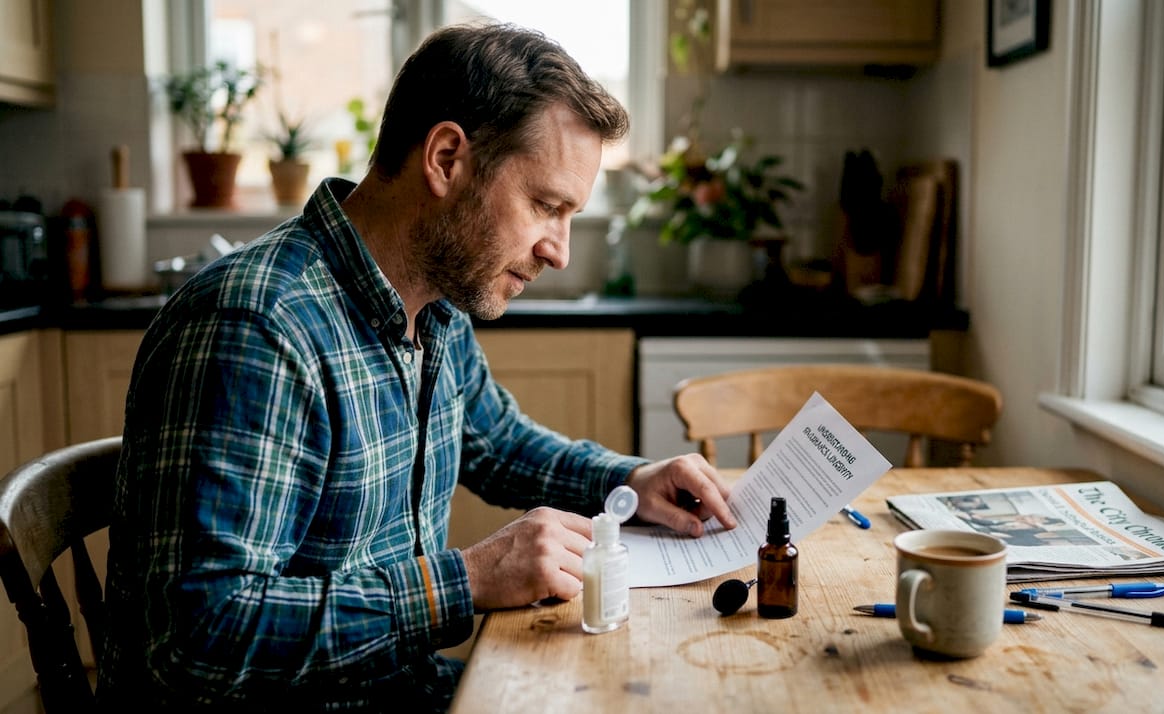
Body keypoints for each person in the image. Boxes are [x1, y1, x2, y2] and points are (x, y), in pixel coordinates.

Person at [98, 23, 737, 712]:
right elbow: (197, 638)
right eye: (546, 206)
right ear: (445, 158)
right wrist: (465, 581)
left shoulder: (432, 306)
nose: (560, 252)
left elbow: (497, 444)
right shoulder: (256, 327)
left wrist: (630, 480)